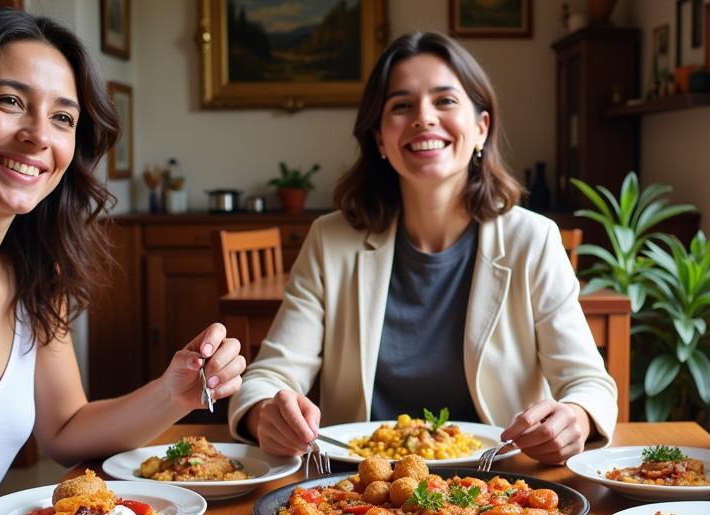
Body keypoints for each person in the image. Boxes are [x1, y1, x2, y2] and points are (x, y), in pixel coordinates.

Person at [0, 8, 245, 515]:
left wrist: (174, 393)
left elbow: (66, 429)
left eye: (63, 119)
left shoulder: (35, 279)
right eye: (9, 101)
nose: (37, 136)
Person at [229, 31, 617, 464]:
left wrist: (577, 419)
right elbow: (269, 377)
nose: (424, 118)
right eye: (401, 105)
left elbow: (589, 383)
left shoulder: (533, 239)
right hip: (360, 493)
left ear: (481, 128)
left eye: (445, 100)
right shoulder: (329, 240)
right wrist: (266, 414)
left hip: (503, 489)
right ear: (379, 138)